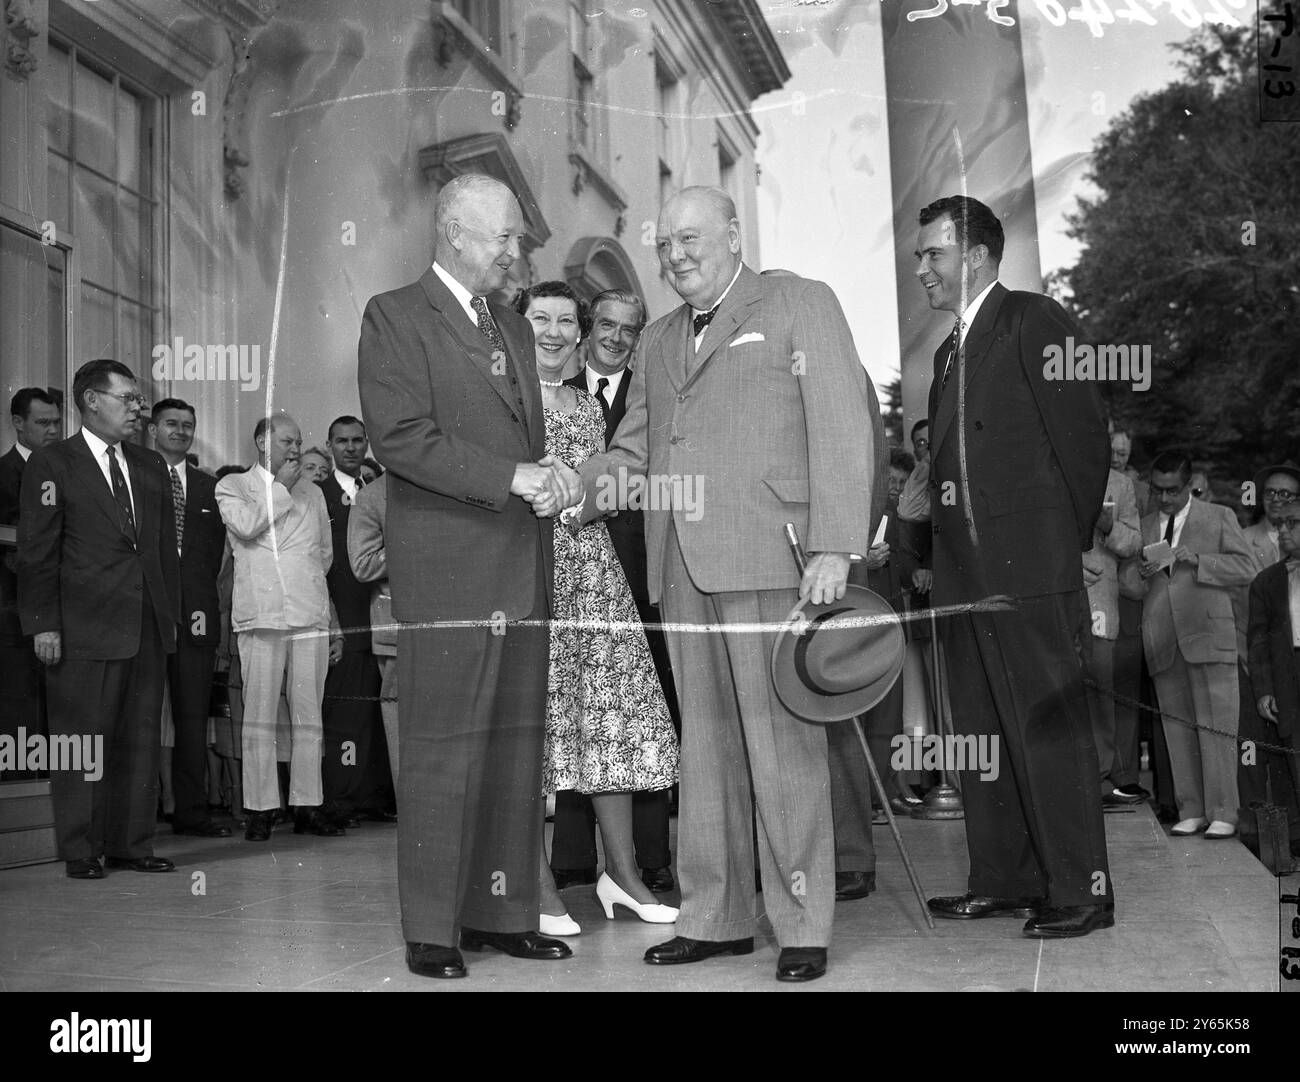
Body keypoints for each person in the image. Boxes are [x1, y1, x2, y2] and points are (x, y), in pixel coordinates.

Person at [579, 185, 882, 983]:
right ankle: (716, 919)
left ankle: (804, 922)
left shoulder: (797, 303)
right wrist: (580, 485)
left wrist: (835, 546)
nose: (676, 255)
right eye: (665, 244)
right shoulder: (655, 340)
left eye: (690, 238)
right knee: (706, 750)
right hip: (680, 565)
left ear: (733, 233)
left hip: (773, 558)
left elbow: (843, 423)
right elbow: (635, 448)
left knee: (782, 748)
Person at [357, 173, 583, 980]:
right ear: (456, 233)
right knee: (440, 754)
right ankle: (432, 928)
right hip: (450, 579)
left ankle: (501, 912)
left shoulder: (514, 329)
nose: (517, 251)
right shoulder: (393, 316)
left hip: (523, 572)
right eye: (506, 238)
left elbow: (516, 442)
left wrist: (548, 474)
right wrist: (515, 478)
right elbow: (401, 439)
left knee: (514, 755)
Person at [915, 195, 1112, 938]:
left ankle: (1083, 892)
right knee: (983, 731)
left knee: (1049, 731)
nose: (921, 269)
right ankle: (1004, 880)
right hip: (965, 578)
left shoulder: (1037, 320)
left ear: (974, 256)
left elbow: (1085, 438)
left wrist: (1056, 546)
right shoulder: (944, 355)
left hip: (1031, 570)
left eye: (932, 254)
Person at [515, 281, 679, 937]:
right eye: (538, 319)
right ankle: (534, 880)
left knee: (610, 721)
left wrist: (588, 500)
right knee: (534, 728)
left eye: (563, 321)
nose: (552, 331)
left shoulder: (587, 403)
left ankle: (623, 874)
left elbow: (617, 477)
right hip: (529, 572)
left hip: (593, 571)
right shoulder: (504, 396)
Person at [18, 360, 180, 879]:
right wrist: (44, 622)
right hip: (83, 629)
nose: (138, 407)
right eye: (127, 398)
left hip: (146, 626)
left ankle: (132, 843)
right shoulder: (52, 464)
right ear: (91, 401)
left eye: (137, 399)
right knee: (82, 740)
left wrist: (168, 617)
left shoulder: (150, 465)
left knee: (139, 738)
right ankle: (82, 849)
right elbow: (37, 552)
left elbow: (160, 553)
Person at [216, 413, 341, 842]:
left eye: (299, 440)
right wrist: (281, 489)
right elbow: (248, 527)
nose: (294, 448)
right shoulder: (232, 486)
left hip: (308, 614)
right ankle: (261, 809)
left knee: (309, 716)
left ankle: (308, 805)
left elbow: (322, 556)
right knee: (260, 717)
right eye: (287, 440)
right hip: (261, 615)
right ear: (260, 442)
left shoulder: (315, 494)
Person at [1122, 450, 1256, 839]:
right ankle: (1191, 808)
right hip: (1163, 640)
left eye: (1172, 491)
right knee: (1177, 729)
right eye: (1158, 490)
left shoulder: (1219, 517)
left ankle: (1224, 812)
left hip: (1210, 637)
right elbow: (1128, 583)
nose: (1164, 498)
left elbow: (1247, 568)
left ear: (1189, 484)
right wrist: (1141, 573)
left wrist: (1197, 559)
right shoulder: (1144, 526)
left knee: (1218, 728)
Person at [148, 399, 230, 838]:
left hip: (197, 621)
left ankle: (192, 814)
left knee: (194, 720)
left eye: (187, 425)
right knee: (140, 719)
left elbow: (217, 559)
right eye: (171, 424)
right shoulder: (135, 478)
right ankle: (136, 819)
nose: (180, 431)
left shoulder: (209, 487)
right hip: (145, 617)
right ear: (152, 429)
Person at [319, 415, 392, 827]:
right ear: (329, 445)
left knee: (377, 721)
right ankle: (340, 801)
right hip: (346, 622)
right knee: (345, 720)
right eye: (341, 441)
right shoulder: (319, 495)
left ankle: (372, 797)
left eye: (357, 440)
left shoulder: (379, 491)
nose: (350, 448)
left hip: (384, 621)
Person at [1, 388, 62, 778]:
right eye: (43, 423)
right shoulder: (1, 474)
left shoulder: (68, 472)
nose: (53, 430)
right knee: (19, 712)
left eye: (57, 422)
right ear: (18, 424)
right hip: (14, 609)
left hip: (66, 609)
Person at [1080, 464, 1143, 806]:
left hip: (1100, 605)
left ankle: (1100, 780)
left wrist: (1109, 526)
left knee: (1099, 693)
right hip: (1055, 598)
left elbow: (1134, 541)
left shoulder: (1120, 484)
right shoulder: (1048, 469)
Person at [1246, 500, 1300, 857]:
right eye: (1278, 525)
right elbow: (1258, 640)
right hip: (1288, 675)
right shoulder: (1266, 581)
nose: (1282, 532)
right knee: (1294, 760)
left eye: (1292, 524)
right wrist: (1264, 689)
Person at [347, 472, 398, 783]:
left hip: (453, 632)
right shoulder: (371, 496)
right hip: (397, 635)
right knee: (403, 734)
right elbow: (363, 564)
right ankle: (413, 821)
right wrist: (412, 544)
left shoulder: (443, 487)